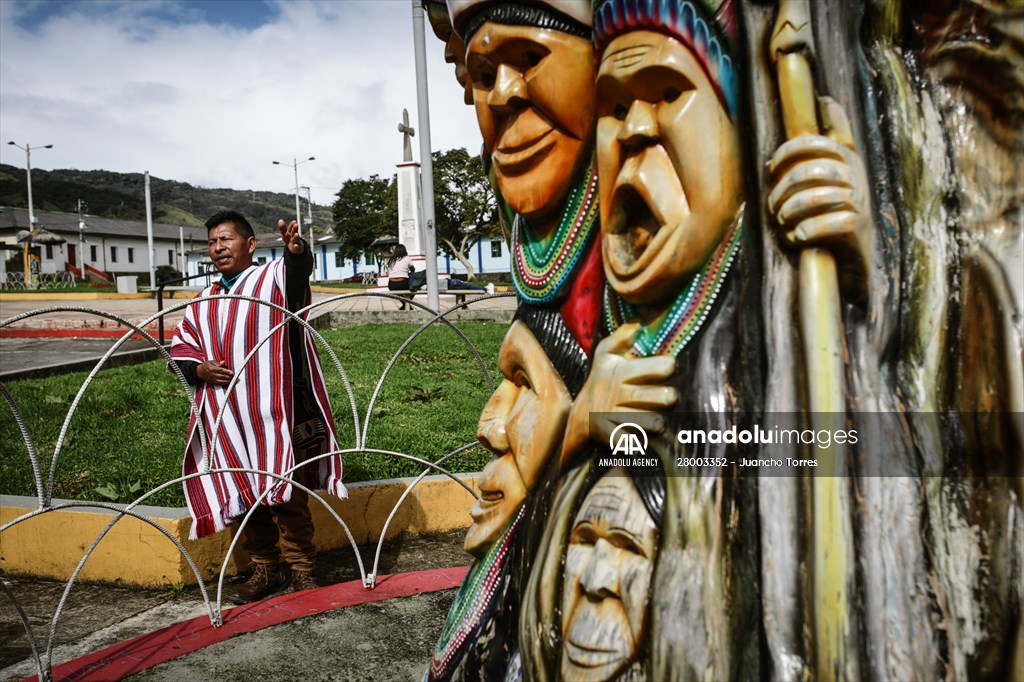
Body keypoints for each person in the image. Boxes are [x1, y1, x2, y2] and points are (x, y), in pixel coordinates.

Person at [168, 210, 346, 604]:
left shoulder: (271, 279)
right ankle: (265, 568)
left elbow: (297, 275)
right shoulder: (202, 301)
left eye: (226, 239)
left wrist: (298, 254)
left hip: (276, 410)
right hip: (227, 417)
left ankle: (302, 570)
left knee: (287, 493)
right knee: (244, 492)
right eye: (213, 242)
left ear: (250, 245)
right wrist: (198, 368)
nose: (218, 248)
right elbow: (180, 349)